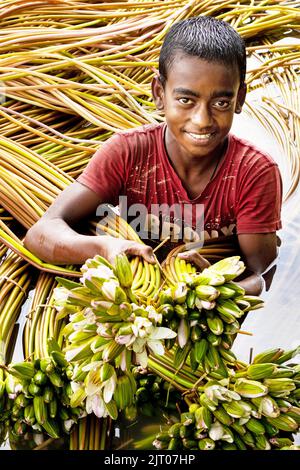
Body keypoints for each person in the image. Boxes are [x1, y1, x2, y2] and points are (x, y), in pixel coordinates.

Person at [24, 16, 282, 296]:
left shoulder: (253, 172)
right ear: (159, 93)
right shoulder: (128, 153)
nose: (202, 120)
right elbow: (40, 234)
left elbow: (262, 274)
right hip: (138, 290)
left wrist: (214, 290)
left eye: (221, 103)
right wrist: (103, 247)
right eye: (186, 100)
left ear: (240, 98)